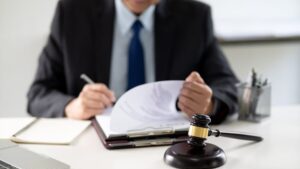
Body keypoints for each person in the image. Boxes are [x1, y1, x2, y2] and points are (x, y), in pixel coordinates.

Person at [27, 0, 239, 124]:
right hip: (92, 152)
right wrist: (72, 107)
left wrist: (208, 105)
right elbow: (39, 94)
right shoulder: (72, 12)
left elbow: (229, 87)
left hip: (168, 149)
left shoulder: (194, 16)